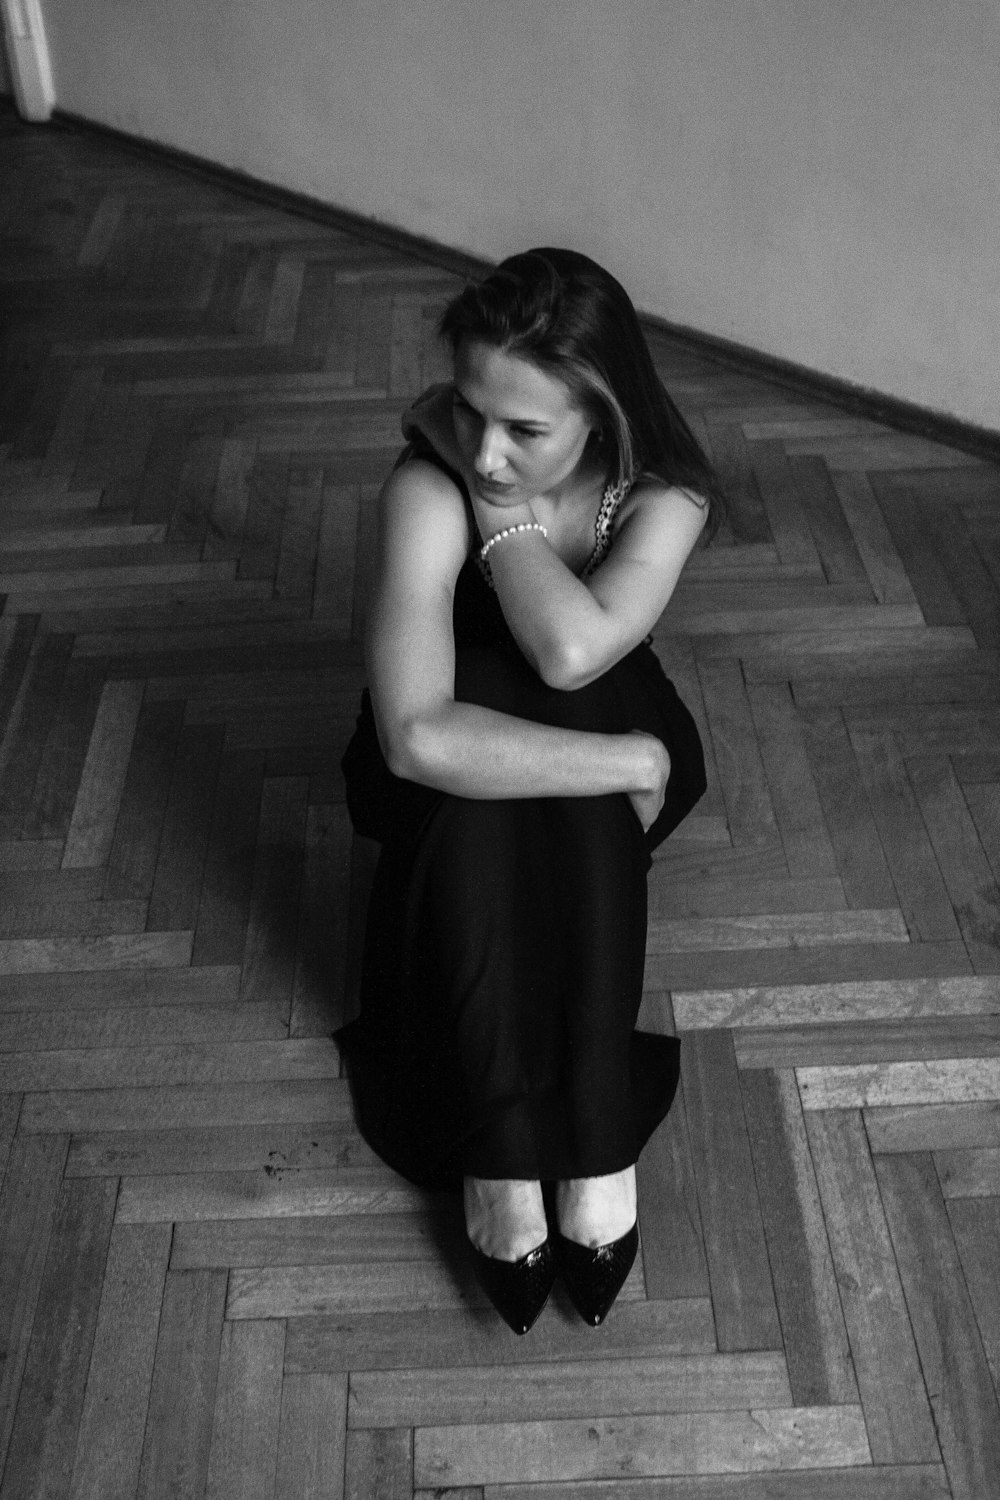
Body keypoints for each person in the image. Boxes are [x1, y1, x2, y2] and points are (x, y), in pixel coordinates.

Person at [338, 248, 723, 1333]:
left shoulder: (664, 492)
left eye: (524, 431)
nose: (485, 451)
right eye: (465, 415)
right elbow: (416, 735)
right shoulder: (423, 485)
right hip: (457, 735)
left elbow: (570, 653)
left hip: (590, 699)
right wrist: (627, 765)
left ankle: (569, 1141)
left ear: (600, 417)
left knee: (553, 758)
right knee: (514, 807)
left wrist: (496, 516)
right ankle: (530, 1152)